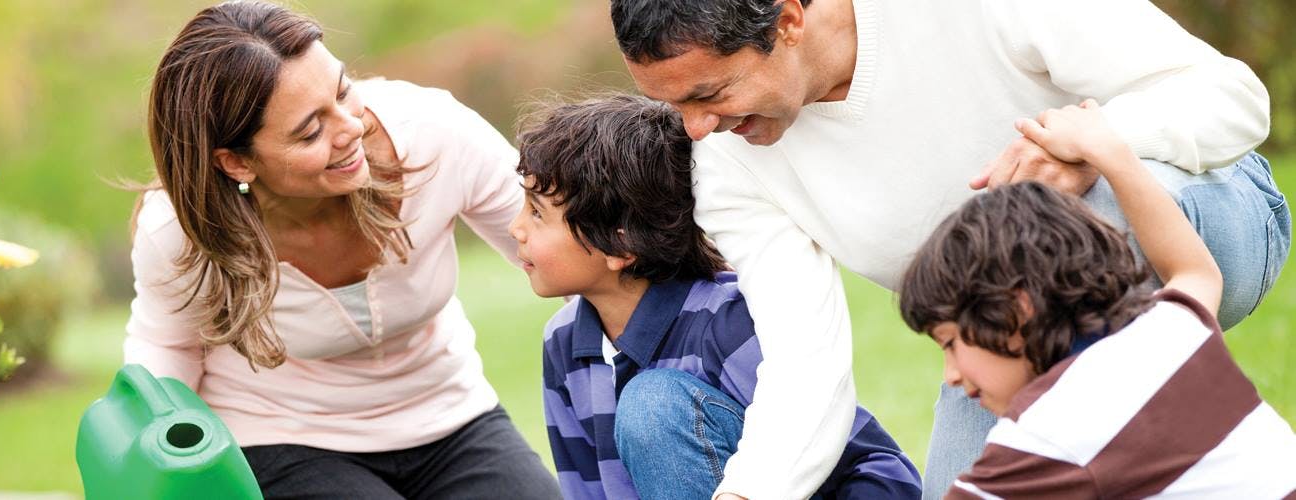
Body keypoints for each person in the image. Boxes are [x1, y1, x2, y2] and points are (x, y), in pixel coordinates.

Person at [609, 0, 1290, 496]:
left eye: (710, 93)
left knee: (1084, 217)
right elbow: (803, 359)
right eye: (673, 107)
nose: (695, 129)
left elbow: (1233, 97)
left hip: (1204, 215)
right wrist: (748, 492)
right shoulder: (728, 165)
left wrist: (1097, 144)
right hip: (998, 333)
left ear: (788, 20)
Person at [124, 2, 559, 498]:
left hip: (448, 414)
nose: (351, 127)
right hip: (281, 434)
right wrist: (163, 458)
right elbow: (169, 348)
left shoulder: (434, 132)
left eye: (343, 90)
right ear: (237, 162)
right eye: (311, 130)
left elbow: (561, 247)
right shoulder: (180, 230)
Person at [512, 95, 922, 500]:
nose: (516, 228)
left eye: (537, 213)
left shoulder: (726, 324)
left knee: (652, 407)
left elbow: (877, 467)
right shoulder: (564, 343)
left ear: (620, 245)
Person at [898, 100, 1296, 499]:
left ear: (1016, 309)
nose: (951, 374)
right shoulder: (1165, 331)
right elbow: (1194, 271)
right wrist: (1109, 152)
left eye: (950, 343)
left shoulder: (1048, 436)